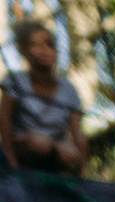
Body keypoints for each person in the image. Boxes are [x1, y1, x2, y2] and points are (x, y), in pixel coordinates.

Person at [2, 22, 87, 176]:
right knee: (39, 143)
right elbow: (4, 121)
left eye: (49, 44)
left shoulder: (68, 90)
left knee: (70, 155)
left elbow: (78, 134)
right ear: (24, 51)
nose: (43, 50)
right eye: (34, 44)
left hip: (56, 154)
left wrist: (81, 172)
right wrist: (10, 162)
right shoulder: (15, 82)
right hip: (25, 148)